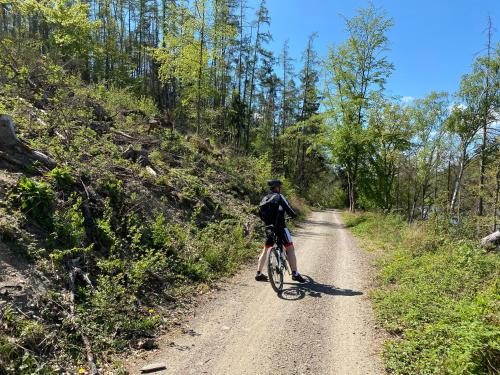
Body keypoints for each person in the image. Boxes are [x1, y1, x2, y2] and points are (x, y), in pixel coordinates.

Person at [255, 179, 306, 283]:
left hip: (269, 228)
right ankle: (295, 273)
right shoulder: (279, 196)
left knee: (266, 249)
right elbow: (290, 210)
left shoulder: (264, 198)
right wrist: (294, 216)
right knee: (290, 248)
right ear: (277, 187)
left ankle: (259, 273)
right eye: (280, 187)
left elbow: (260, 213)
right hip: (281, 228)